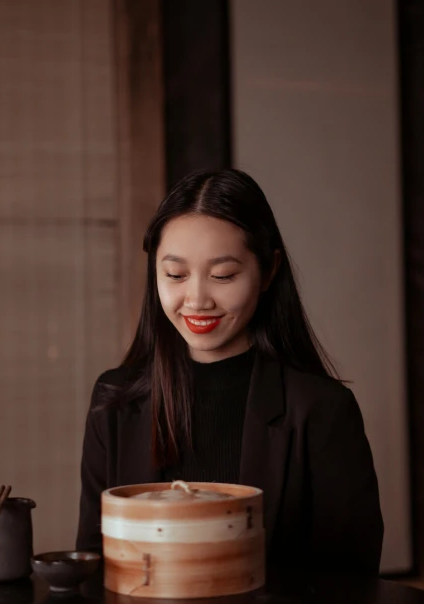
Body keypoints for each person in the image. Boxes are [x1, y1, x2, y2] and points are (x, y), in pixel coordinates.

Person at [76, 169, 383, 574]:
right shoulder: (114, 400)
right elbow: (92, 569)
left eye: (223, 275)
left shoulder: (322, 409)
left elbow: (351, 585)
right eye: (175, 275)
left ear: (269, 271)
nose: (197, 299)